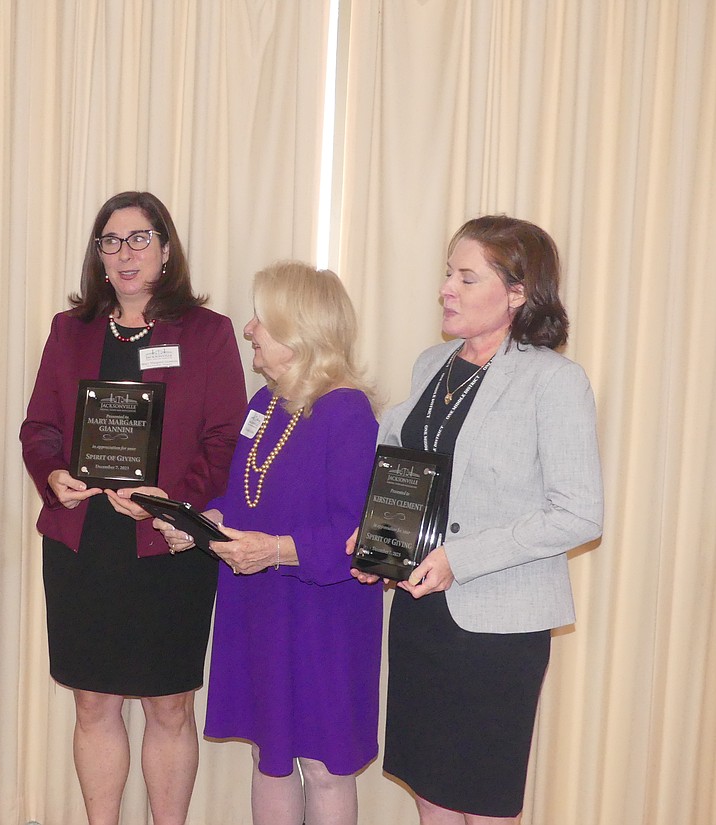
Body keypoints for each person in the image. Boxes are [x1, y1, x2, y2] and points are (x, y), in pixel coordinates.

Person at [350, 215, 604, 824]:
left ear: (518, 293)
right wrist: (380, 536)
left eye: (468, 277)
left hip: (497, 627)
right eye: (448, 274)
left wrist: (458, 560)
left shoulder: (555, 381)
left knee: (483, 804)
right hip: (421, 613)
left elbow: (578, 513)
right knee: (431, 794)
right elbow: (416, 473)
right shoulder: (431, 364)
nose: (447, 289)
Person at [19, 191, 247, 825]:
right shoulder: (71, 330)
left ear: (166, 248)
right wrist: (54, 473)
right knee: (92, 702)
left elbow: (225, 436)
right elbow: (38, 426)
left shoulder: (207, 332)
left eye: (139, 239)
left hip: (166, 547)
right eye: (111, 241)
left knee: (168, 705)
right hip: (83, 541)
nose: (125, 254)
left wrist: (173, 504)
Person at [155, 262, 383, 825]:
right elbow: (242, 499)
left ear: (299, 328)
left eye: (262, 318)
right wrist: (199, 523)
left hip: (322, 613)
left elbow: (356, 535)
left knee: (326, 767)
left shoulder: (347, 411)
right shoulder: (264, 404)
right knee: (269, 756)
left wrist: (275, 550)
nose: (249, 328)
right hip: (258, 604)